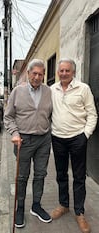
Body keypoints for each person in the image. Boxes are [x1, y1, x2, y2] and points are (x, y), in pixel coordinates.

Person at [49, 58, 97, 233]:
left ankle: (79, 212)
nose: (63, 73)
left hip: (78, 138)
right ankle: (63, 205)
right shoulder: (52, 89)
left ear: (73, 72)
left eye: (67, 70)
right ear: (57, 72)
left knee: (79, 176)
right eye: (61, 70)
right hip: (58, 138)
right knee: (61, 174)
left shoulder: (83, 88)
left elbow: (92, 114)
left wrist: (85, 135)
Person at [4, 59, 53, 228]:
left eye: (41, 74)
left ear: (44, 75)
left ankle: (36, 206)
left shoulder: (48, 92)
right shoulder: (18, 91)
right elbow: (8, 116)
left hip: (44, 140)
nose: (37, 77)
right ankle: (20, 208)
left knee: (40, 174)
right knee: (22, 177)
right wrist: (15, 134)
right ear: (28, 73)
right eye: (34, 73)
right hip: (23, 140)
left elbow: (53, 114)